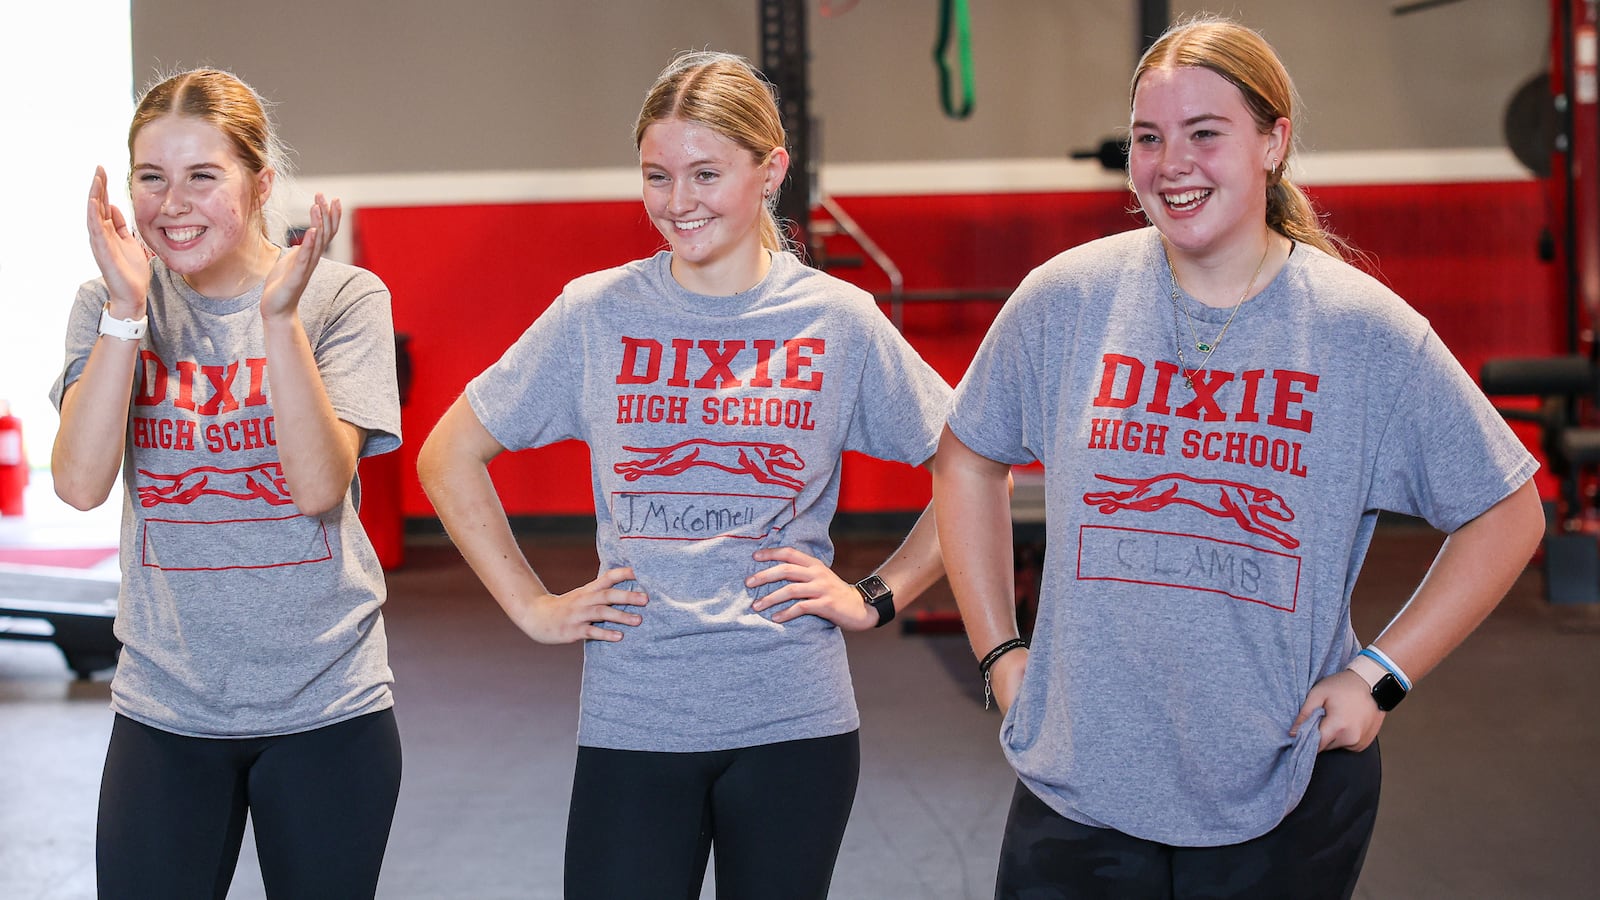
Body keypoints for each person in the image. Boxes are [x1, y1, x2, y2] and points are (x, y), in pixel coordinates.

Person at [933, 17, 1545, 900]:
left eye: (1204, 134)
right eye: (1150, 137)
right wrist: (1000, 656)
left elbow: (1509, 508)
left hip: (1282, 789)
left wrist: (1380, 676)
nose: (1171, 162)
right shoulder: (1068, 298)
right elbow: (966, 459)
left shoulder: (1361, 331)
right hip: (1080, 786)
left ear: (1273, 141)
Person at [417, 50, 951, 899]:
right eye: (657, 176)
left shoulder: (834, 318)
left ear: (770, 169)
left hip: (793, 718)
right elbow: (447, 454)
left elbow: (971, 465)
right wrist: (532, 606)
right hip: (636, 713)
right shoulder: (598, 313)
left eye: (706, 173)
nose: (677, 202)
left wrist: (876, 595)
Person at [50, 69, 403, 899]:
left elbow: (319, 486)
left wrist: (277, 321)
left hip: (327, 705)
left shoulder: (342, 298)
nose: (173, 203)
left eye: (202, 176)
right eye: (151, 178)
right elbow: (77, 481)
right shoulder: (107, 304)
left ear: (259, 183)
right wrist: (128, 312)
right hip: (165, 707)